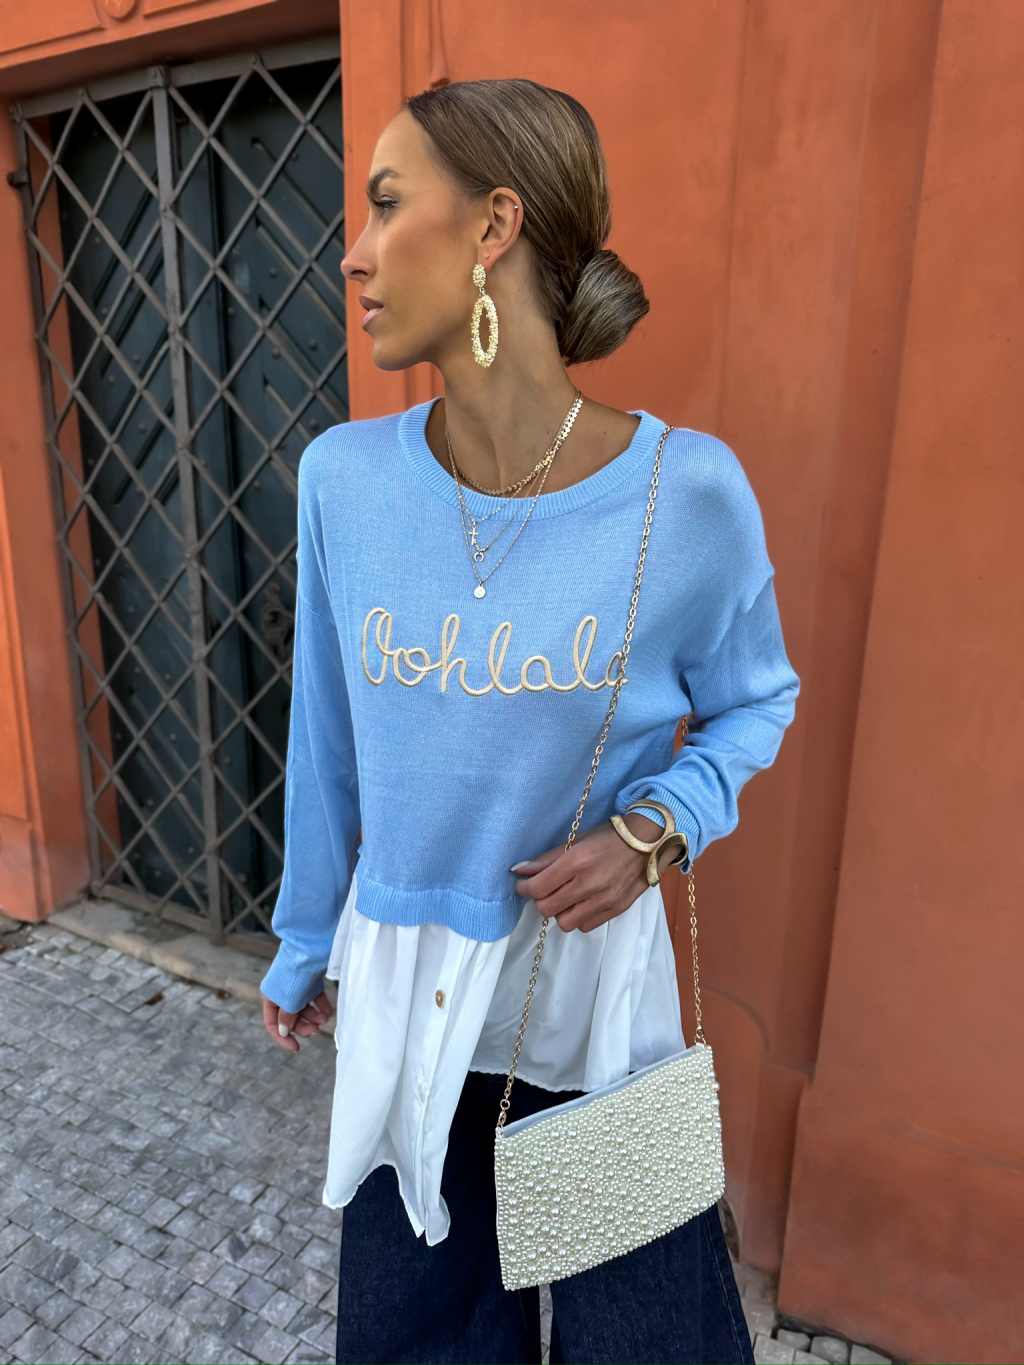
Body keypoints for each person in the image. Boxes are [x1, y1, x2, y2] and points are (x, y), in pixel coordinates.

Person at [258, 77, 799, 1365]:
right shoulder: (345, 480)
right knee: (419, 1340)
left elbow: (755, 699)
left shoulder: (684, 495)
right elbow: (326, 738)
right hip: (404, 998)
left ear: (494, 225)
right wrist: (302, 939)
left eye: (388, 204)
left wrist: (653, 833)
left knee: (639, 1344)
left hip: (589, 1003)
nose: (355, 252)